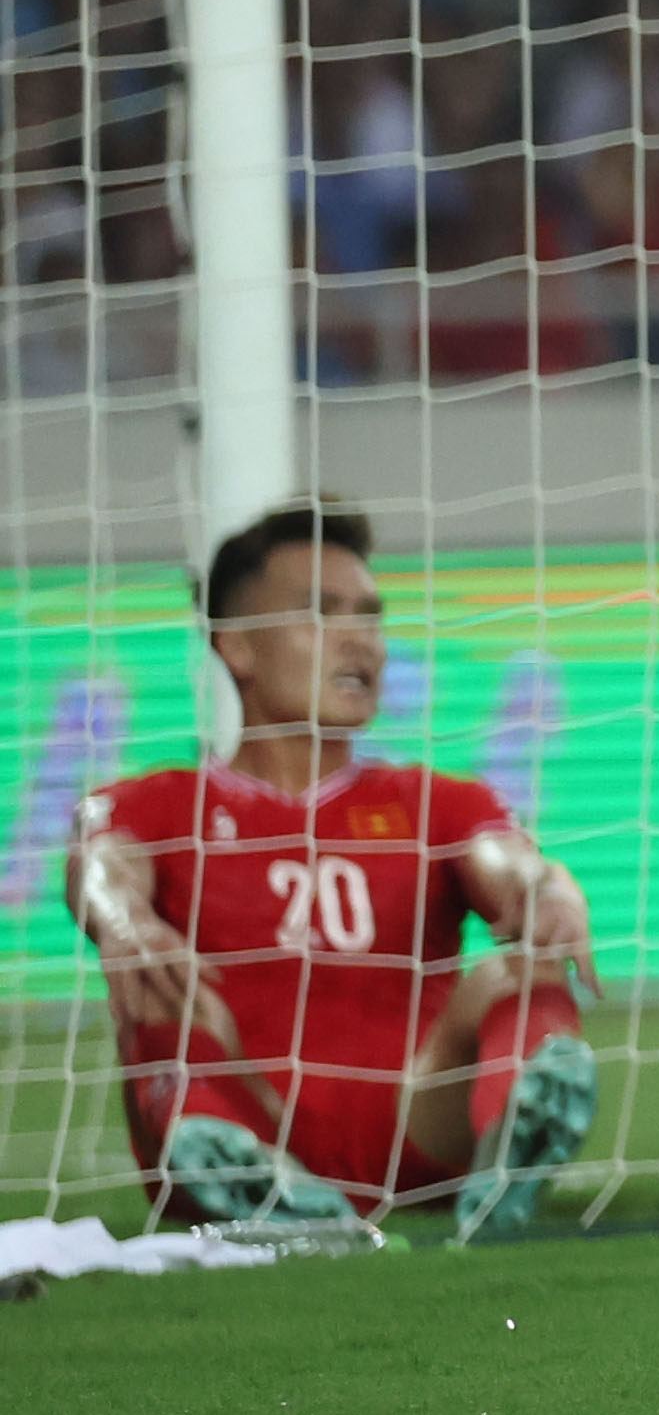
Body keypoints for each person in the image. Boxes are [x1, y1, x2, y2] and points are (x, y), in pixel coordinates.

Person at [69, 503, 597, 1236]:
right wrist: (125, 921)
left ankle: (511, 1164)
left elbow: (503, 860)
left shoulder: (434, 802)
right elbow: (101, 862)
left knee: (523, 974)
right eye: (322, 612)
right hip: (246, 1112)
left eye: (371, 617)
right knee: (161, 987)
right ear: (239, 648)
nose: (362, 640)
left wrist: (547, 888)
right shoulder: (162, 803)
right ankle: (235, 1167)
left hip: (415, 1123)